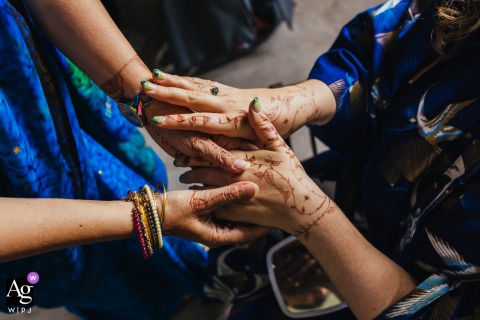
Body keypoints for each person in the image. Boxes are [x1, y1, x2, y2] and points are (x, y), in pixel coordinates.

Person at [142, 0, 480, 318]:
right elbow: (389, 43)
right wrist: (298, 100)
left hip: (382, 293)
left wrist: (314, 221)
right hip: (359, 188)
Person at [0, 0, 257, 318]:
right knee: (56, 279)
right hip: (21, 230)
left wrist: (148, 98)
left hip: (44, 87)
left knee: (134, 183)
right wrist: (150, 217)